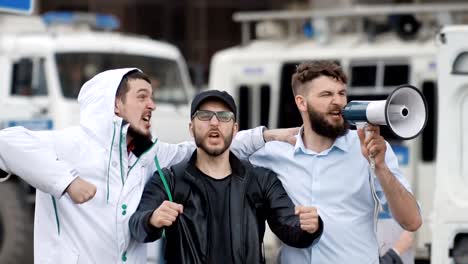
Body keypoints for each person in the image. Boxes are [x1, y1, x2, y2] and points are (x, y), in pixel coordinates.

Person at [0, 68, 295, 263]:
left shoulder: (149, 156)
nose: (152, 105)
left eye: (152, 98)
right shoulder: (70, 145)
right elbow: (6, 142)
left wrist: (265, 135)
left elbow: (205, 144)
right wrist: (66, 181)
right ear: (115, 105)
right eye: (142, 97)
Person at [248, 60, 422, 263]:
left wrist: (381, 167)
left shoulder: (369, 149)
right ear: (301, 102)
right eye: (326, 94)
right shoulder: (275, 152)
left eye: (341, 93)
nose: (338, 101)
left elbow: (412, 221)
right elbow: (209, 149)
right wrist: (267, 135)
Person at [129, 90, 323, 264]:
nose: (214, 122)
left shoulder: (261, 180)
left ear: (235, 128)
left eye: (224, 117)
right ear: (191, 128)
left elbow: (291, 230)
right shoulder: (168, 179)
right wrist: (152, 220)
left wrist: (311, 228)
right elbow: (136, 226)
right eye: (204, 116)